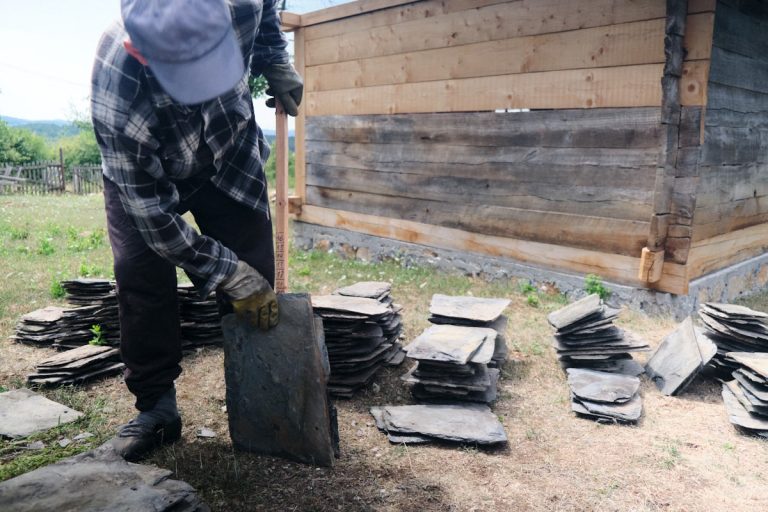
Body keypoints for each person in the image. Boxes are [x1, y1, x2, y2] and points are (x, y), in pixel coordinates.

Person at [91, 0, 303, 461]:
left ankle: (266, 402)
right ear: (140, 50)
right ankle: (157, 410)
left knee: (257, 276)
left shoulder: (240, 4)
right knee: (141, 274)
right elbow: (155, 220)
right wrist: (226, 273)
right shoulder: (117, 83)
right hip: (149, 170)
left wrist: (274, 57)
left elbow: (267, 11)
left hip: (229, 156)